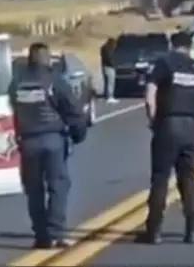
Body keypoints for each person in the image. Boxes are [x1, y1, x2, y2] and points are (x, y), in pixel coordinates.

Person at [138, 30, 194, 245]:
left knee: (160, 178)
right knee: (187, 179)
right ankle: (192, 229)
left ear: (172, 44)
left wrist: (153, 121)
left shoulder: (164, 64)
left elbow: (149, 94)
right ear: (189, 47)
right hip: (191, 126)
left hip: (168, 124)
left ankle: (154, 230)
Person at [10, 42, 89, 249]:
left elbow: (12, 109)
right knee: (58, 186)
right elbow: (73, 110)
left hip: (27, 141)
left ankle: (41, 235)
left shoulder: (16, 83)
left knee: (34, 190)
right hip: (52, 139)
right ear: (47, 59)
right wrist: (78, 134)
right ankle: (56, 232)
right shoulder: (55, 80)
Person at [100, 37, 118, 104]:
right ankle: (110, 97)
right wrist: (114, 66)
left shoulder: (103, 48)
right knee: (111, 82)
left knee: (106, 82)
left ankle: (106, 95)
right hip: (109, 67)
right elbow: (110, 58)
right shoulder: (109, 49)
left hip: (104, 66)